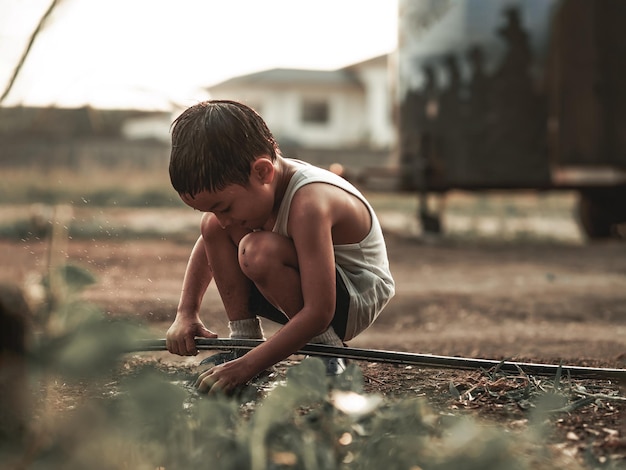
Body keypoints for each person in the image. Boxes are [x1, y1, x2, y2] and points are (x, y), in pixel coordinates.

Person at [165, 100, 395, 393]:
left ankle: (328, 352)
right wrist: (186, 313)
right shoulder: (254, 192)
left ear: (262, 172)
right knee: (213, 227)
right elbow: (210, 239)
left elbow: (320, 311)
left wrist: (246, 368)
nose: (224, 220)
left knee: (258, 250)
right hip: (312, 290)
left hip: (353, 297)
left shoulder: (309, 203)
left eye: (224, 206)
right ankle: (244, 341)